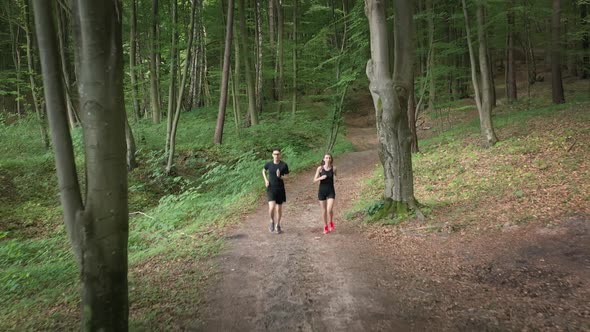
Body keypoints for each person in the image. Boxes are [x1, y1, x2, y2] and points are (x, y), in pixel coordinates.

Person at [262, 148, 289, 234]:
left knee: (279, 209)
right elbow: (263, 170)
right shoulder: (269, 164)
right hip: (271, 188)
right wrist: (266, 180)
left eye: (278, 154)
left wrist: (280, 176)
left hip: (280, 189)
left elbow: (287, 177)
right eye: (275, 154)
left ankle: (278, 224)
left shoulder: (284, 165)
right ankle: (271, 221)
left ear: (280, 155)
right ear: (272, 155)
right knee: (271, 207)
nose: (276, 155)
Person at [313, 154, 337, 234]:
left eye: (329, 158)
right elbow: (314, 180)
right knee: (324, 210)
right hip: (322, 191)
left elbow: (336, 177)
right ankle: (325, 226)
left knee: (329, 209)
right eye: (326, 158)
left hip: (331, 190)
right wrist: (321, 178)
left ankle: (330, 222)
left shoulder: (334, 168)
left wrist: (336, 179)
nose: (328, 159)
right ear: (324, 159)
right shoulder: (320, 168)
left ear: (331, 159)